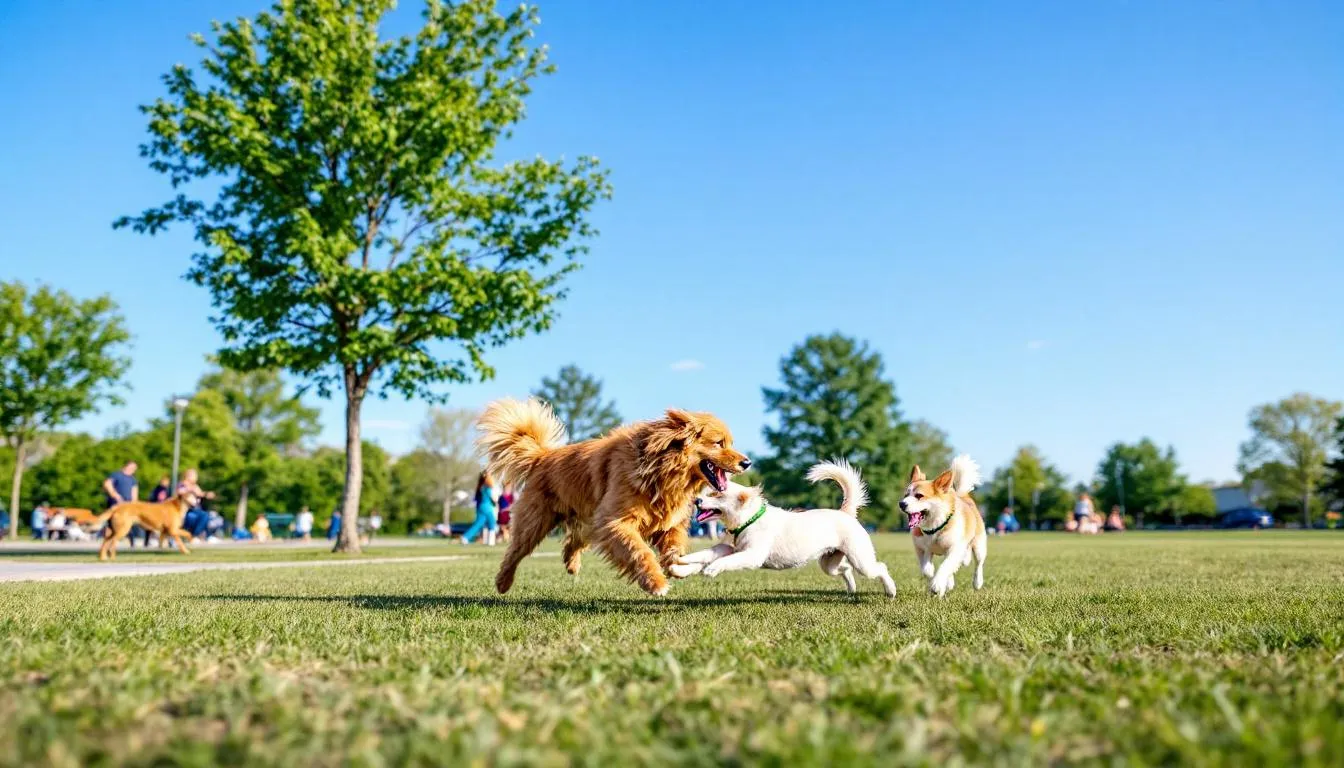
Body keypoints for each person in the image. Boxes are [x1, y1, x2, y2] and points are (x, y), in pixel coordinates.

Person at [176, 469, 216, 542]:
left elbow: (200, 493)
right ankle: (192, 536)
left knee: (206, 515)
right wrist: (189, 490)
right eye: (194, 476)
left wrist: (207, 494)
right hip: (186, 510)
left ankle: (206, 536)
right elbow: (179, 492)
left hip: (196, 510)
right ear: (188, 476)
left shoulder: (195, 486)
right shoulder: (182, 484)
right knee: (203, 515)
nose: (196, 478)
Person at [462, 471, 500, 545]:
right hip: (487, 508)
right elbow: (493, 498)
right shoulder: (487, 488)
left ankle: (466, 537)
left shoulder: (480, 487)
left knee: (478, 524)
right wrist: (496, 501)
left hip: (480, 507)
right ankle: (491, 542)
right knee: (492, 523)